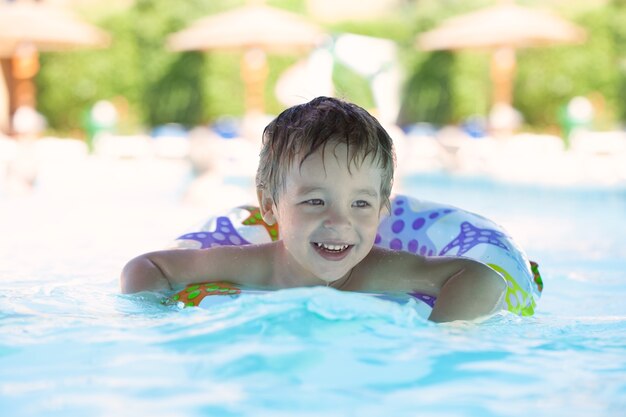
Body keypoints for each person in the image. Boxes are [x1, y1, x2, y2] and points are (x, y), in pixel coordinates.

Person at [120, 97, 505, 322]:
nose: (339, 221)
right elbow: (146, 267)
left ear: (383, 209)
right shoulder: (255, 266)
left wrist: (441, 345)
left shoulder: (380, 271)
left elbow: (482, 278)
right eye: (315, 201)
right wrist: (157, 325)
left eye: (361, 203)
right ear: (270, 205)